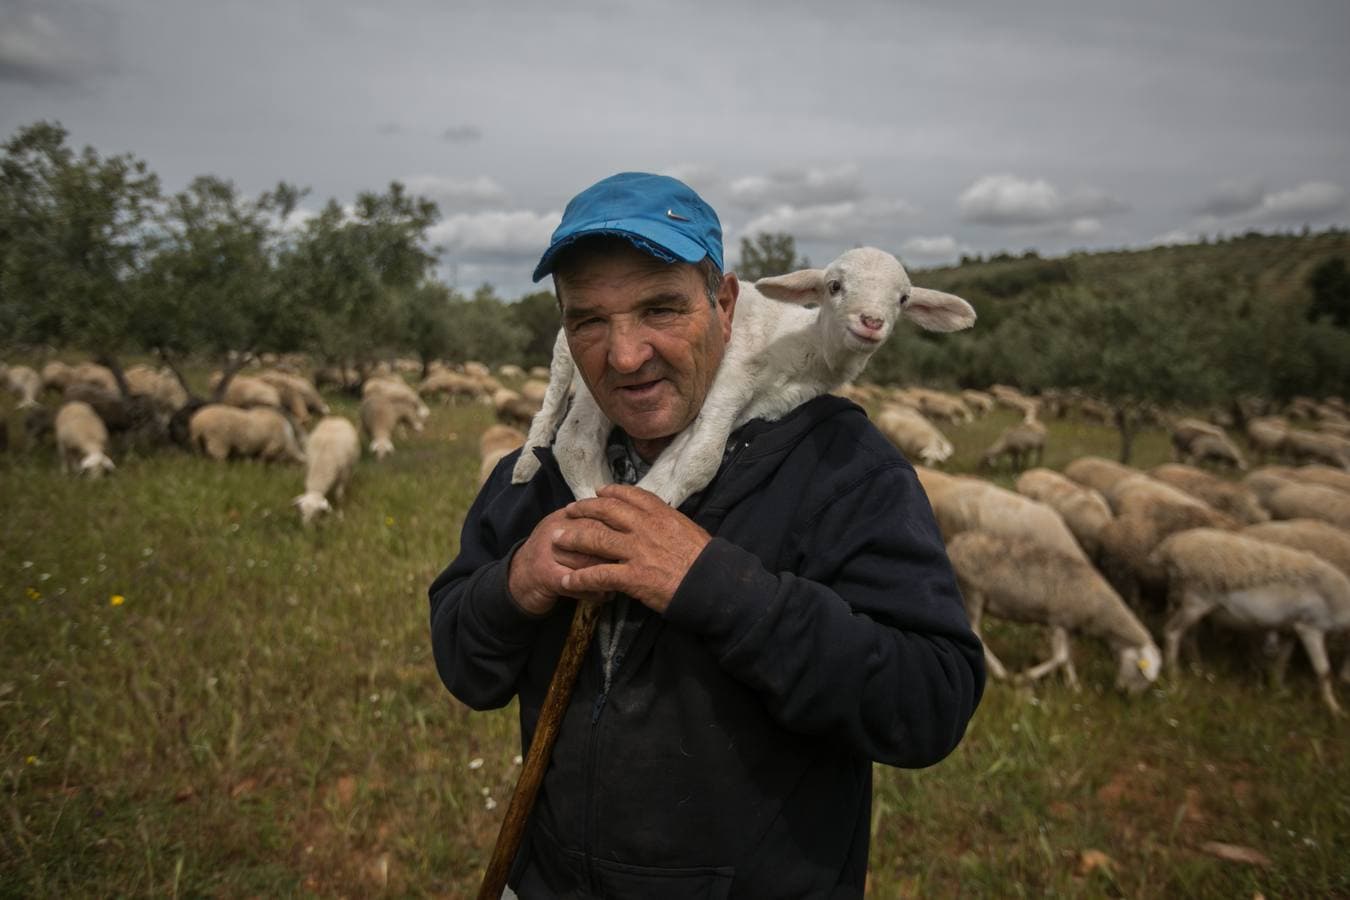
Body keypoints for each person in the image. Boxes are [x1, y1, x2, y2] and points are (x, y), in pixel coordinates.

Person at [429, 172, 984, 898]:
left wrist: (718, 586)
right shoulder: (541, 472)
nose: (625, 356)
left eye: (661, 308)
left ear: (724, 303)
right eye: (589, 321)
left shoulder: (842, 468)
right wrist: (515, 584)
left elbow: (929, 702)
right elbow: (464, 664)